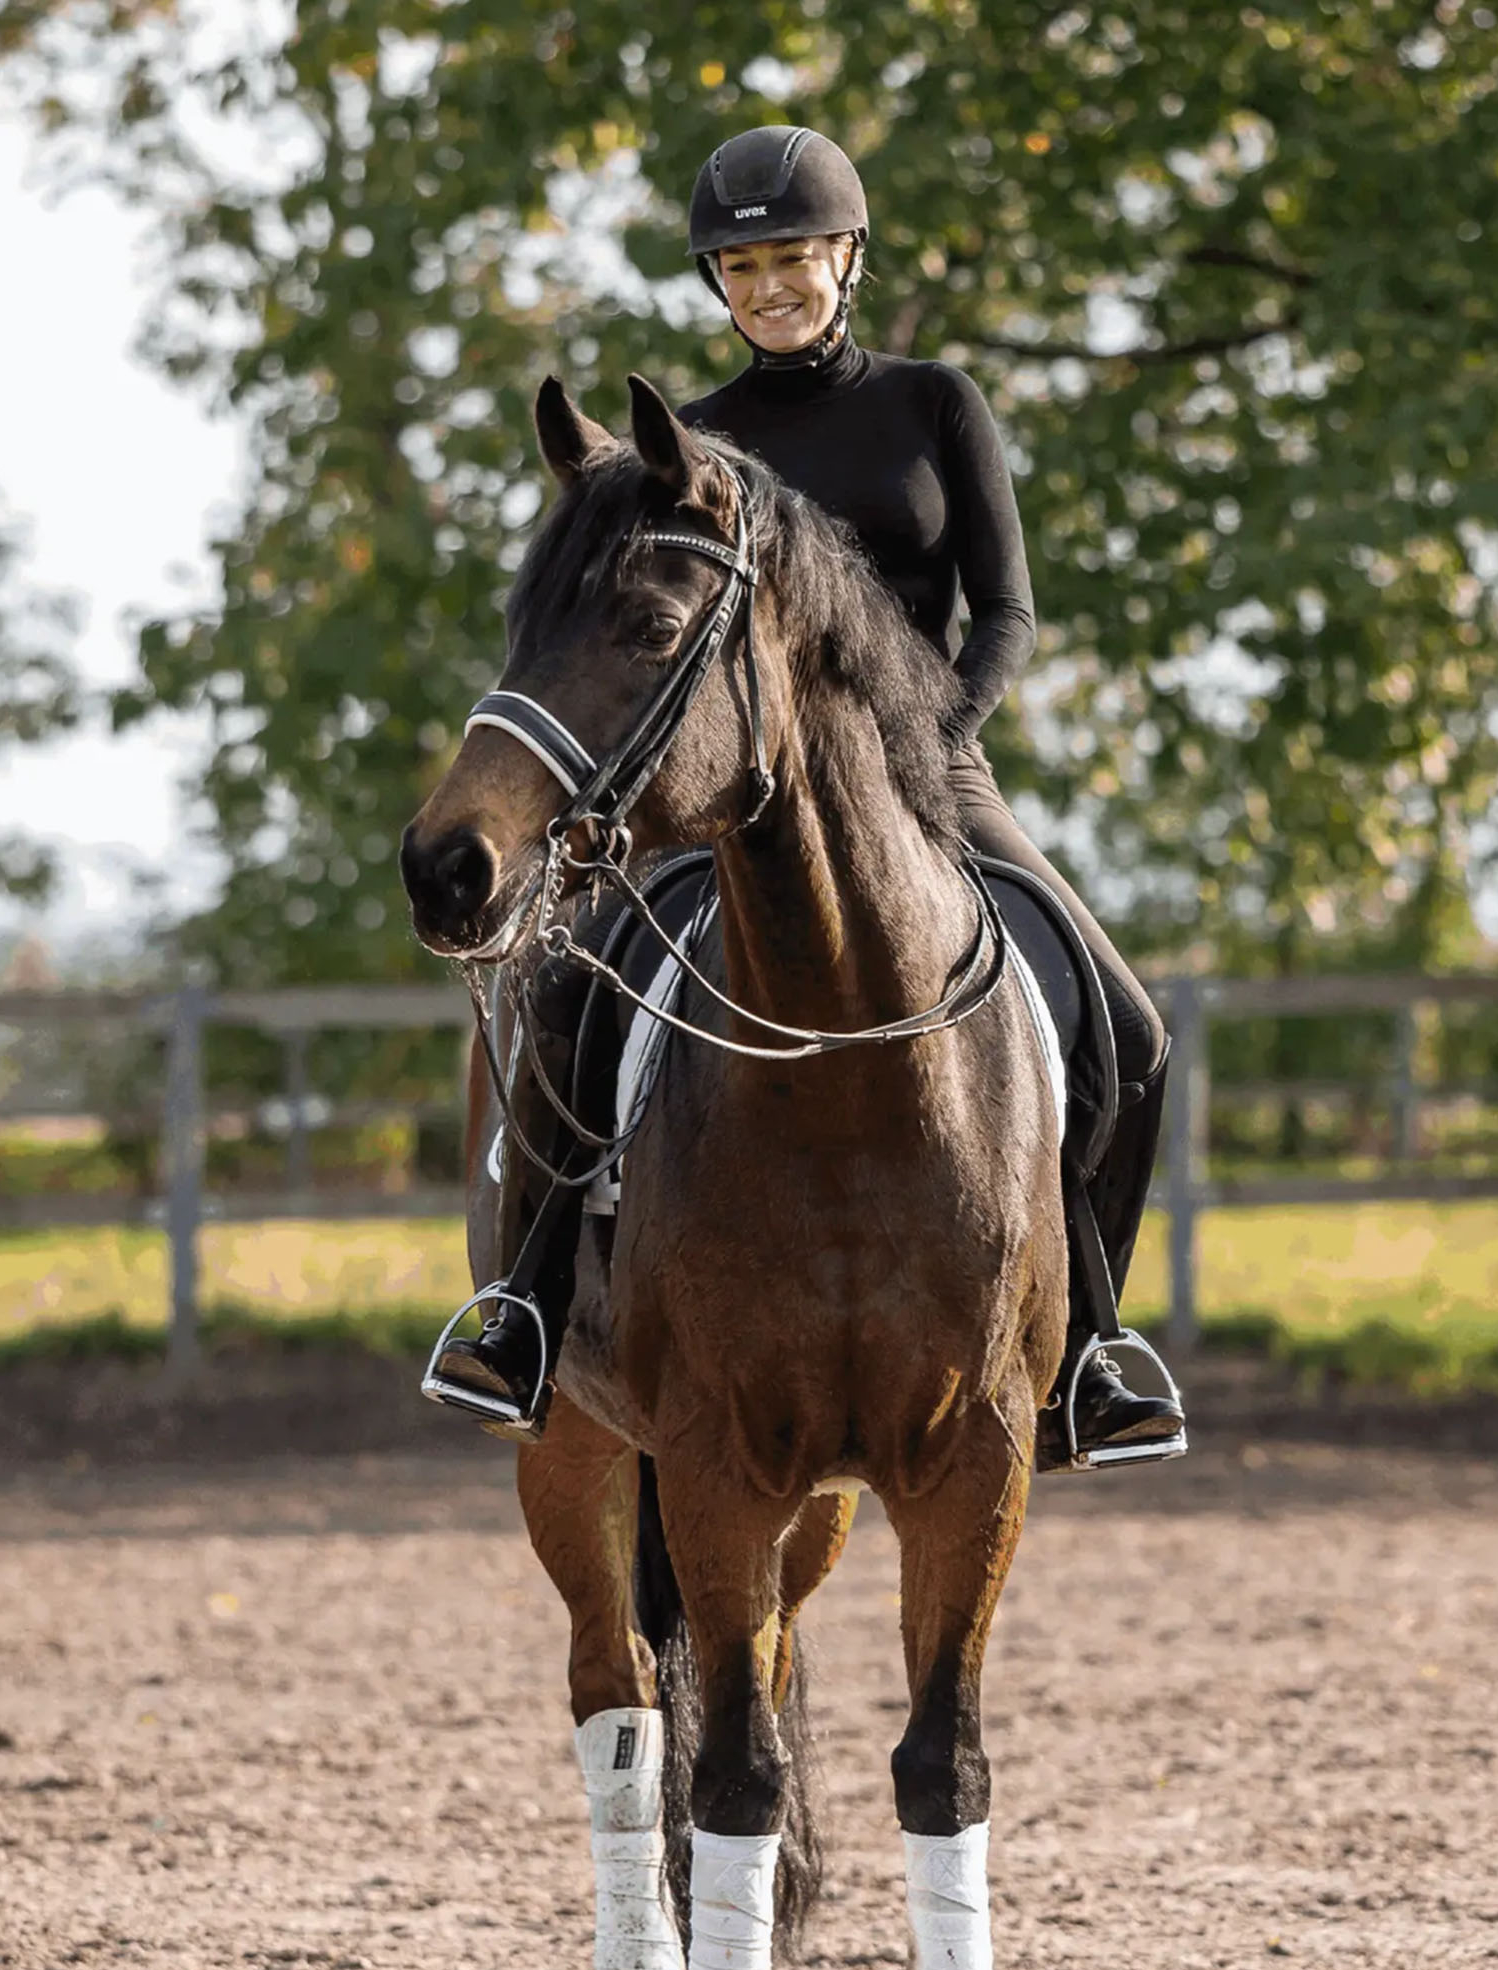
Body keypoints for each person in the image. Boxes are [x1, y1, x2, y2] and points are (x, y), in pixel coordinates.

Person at [428, 125, 1185, 1466]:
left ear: (848, 258)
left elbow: (1004, 609)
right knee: (564, 991)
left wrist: (937, 730)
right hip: (717, 791)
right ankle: (528, 1313)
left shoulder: (934, 405)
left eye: (794, 258)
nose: (771, 285)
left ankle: (1092, 1346)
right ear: (718, 282)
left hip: (932, 768)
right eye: (742, 265)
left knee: (1125, 1023)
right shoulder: (694, 442)